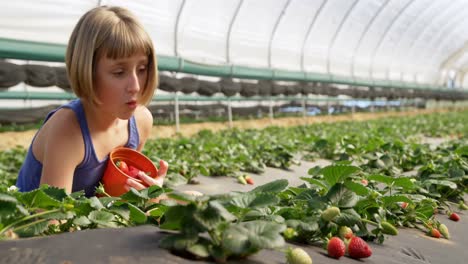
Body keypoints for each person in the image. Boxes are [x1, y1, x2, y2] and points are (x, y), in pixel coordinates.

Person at [16, 6, 168, 197]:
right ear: (87, 71)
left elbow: (110, 197)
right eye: (119, 72)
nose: (135, 86)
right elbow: (51, 221)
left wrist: (149, 194)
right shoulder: (67, 130)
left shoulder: (141, 121)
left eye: (142, 69)